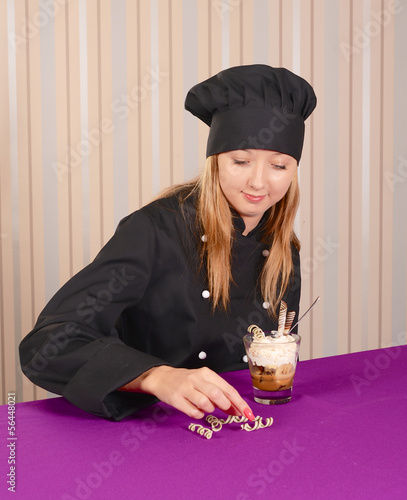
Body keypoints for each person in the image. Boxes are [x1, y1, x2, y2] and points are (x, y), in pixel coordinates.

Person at [19, 64, 317, 421]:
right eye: (241, 161)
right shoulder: (155, 230)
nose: (258, 182)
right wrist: (156, 376)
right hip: (157, 429)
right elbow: (46, 345)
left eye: (279, 166)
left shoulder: (285, 251)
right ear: (215, 161)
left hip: (244, 424)